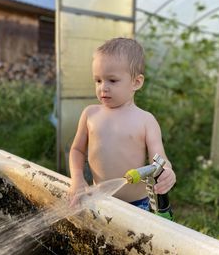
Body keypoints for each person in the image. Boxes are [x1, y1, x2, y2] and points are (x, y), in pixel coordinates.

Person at [69, 38, 176, 212]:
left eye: (112, 80)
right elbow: (77, 150)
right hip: (99, 199)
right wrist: (77, 178)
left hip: (138, 205)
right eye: (98, 80)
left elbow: (159, 160)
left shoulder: (145, 120)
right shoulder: (90, 114)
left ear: (136, 82)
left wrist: (167, 173)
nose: (103, 87)